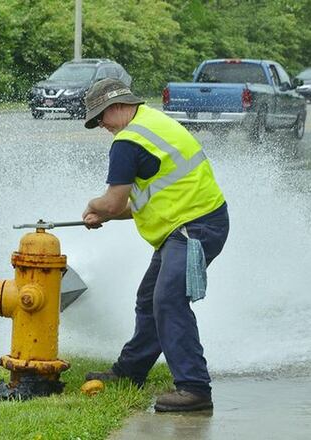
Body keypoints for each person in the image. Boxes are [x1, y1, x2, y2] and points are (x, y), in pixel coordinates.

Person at [80, 78, 229, 412]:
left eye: (100, 117)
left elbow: (115, 201)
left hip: (194, 226)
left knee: (168, 300)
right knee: (150, 299)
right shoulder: (152, 122)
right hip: (194, 223)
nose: (101, 125)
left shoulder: (128, 141)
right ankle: (130, 371)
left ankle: (194, 389)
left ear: (116, 107)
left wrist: (95, 206)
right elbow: (143, 202)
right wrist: (107, 215)